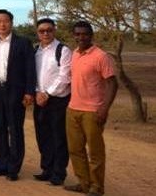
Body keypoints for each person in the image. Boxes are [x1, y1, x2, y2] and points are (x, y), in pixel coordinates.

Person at [64, 21, 118, 196]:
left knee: (95, 152)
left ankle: (97, 187)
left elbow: (112, 84)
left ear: (91, 35)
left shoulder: (101, 56)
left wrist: (104, 109)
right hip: (73, 109)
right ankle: (84, 183)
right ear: (74, 36)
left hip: (92, 111)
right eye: (78, 34)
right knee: (75, 149)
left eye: (85, 34)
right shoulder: (74, 54)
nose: (81, 37)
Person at [0, 9, 35, 181]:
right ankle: (1, 165)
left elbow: (30, 68)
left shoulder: (23, 43)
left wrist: (29, 91)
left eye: (5, 21)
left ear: (11, 23)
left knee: (15, 129)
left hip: (16, 90)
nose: (2, 24)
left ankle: (13, 168)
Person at [33, 18, 72, 186]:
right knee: (43, 136)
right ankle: (46, 169)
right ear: (38, 33)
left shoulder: (63, 50)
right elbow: (32, 74)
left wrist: (47, 94)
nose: (46, 33)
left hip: (57, 101)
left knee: (59, 137)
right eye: (42, 31)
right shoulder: (36, 51)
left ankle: (59, 172)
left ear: (54, 30)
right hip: (39, 99)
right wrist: (37, 92)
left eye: (49, 30)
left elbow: (65, 77)